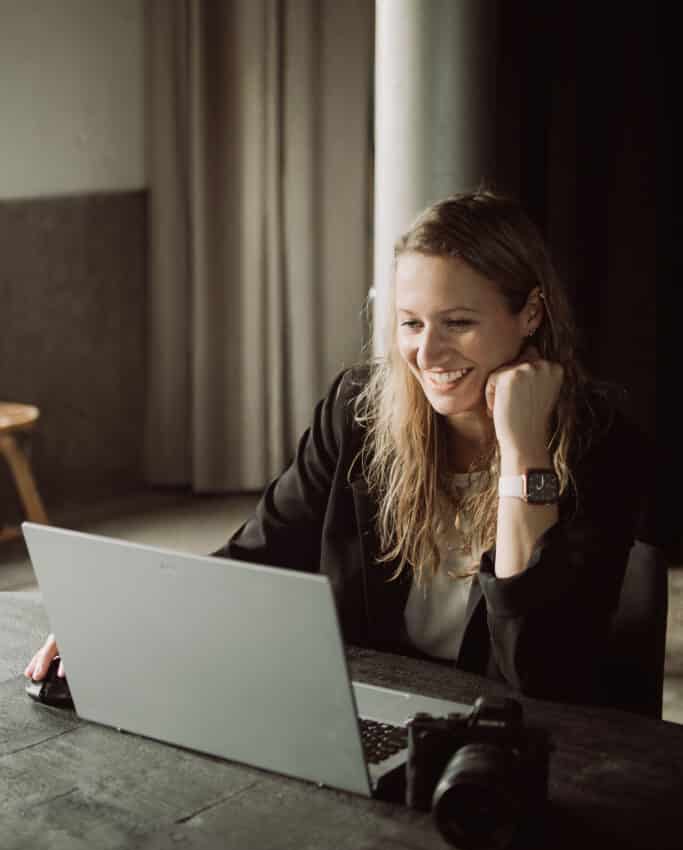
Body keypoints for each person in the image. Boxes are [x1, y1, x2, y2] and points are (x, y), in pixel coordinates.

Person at [25, 188, 642, 707]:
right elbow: (258, 556)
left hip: (508, 746)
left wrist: (523, 452)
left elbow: (541, 673)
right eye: (411, 322)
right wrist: (121, 622)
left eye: (458, 323)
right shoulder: (360, 410)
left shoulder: (600, 442)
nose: (427, 355)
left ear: (530, 314)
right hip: (364, 715)